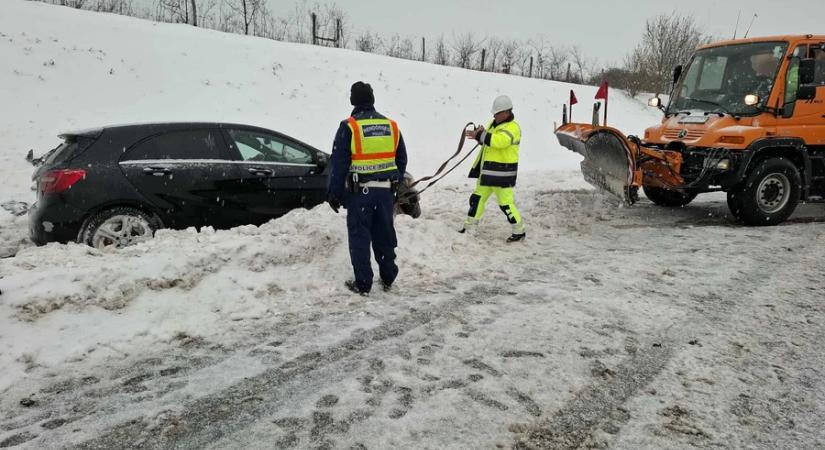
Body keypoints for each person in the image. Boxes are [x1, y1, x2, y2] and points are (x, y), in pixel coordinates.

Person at [327, 82, 408, 296]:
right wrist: (393, 182)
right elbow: (401, 159)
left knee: (360, 236)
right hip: (385, 193)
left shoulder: (350, 126)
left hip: (360, 193)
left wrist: (334, 193)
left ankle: (363, 284)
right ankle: (388, 276)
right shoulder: (391, 126)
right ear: (372, 99)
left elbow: (339, 164)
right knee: (384, 234)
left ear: (353, 100)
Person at [460, 95, 525, 242]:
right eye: (494, 113)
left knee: (505, 204)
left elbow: (499, 141)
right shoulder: (494, 123)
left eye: (497, 113)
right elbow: (487, 140)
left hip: (502, 175)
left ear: (507, 112)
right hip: (487, 172)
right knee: (477, 199)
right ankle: (470, 227)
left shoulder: (513, 127)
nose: (494, 115)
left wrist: (482, 135)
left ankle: (519, 230)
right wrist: (479, 135)